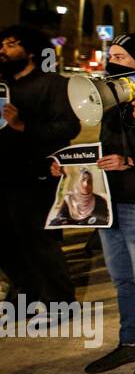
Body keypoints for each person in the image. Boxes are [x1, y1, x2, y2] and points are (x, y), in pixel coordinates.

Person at [64, 33, 135, 374]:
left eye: (121, 57)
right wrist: (69, 166)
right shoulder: (109, 100)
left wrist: (131, 163)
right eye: (110, 55)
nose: (112, 62)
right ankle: (129, 341)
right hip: (109, 202)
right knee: (122, 278)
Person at [0, 24, 80, 306]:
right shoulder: (4, 85)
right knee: (7, 243)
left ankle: (59, 301)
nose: (3, 51)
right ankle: (24, 295)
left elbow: (68, 127)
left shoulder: (53, 84)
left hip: (37, 178)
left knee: (39, 243)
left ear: (30, 51)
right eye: (3, 45)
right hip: (4, 175)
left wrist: (23, 125)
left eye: (11, 45)